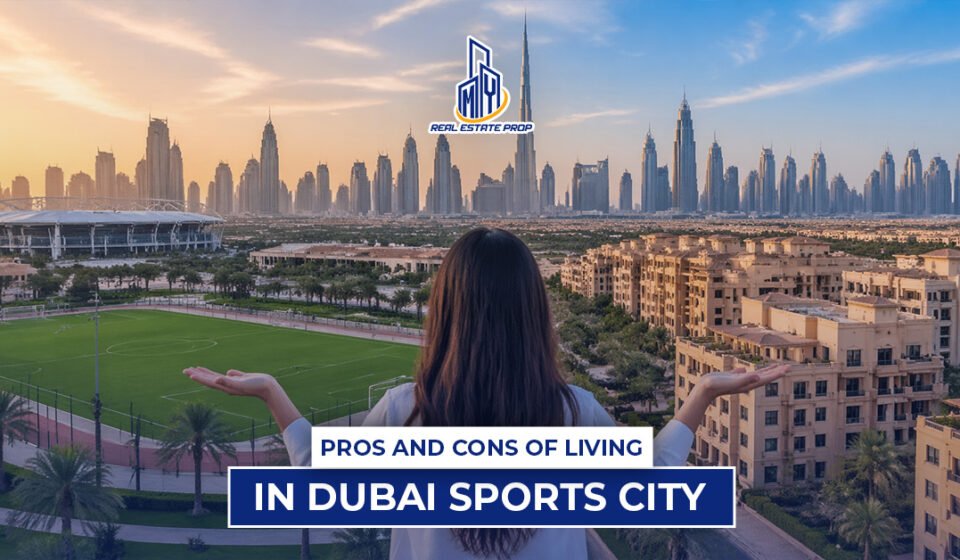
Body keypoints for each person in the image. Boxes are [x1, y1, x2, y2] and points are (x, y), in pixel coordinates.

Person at [185, 227, 786, 560]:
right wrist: (703, 391)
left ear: (448, 313)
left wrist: (272, 394)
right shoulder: (571, 413)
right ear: (533, 313)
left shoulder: (407, 412)